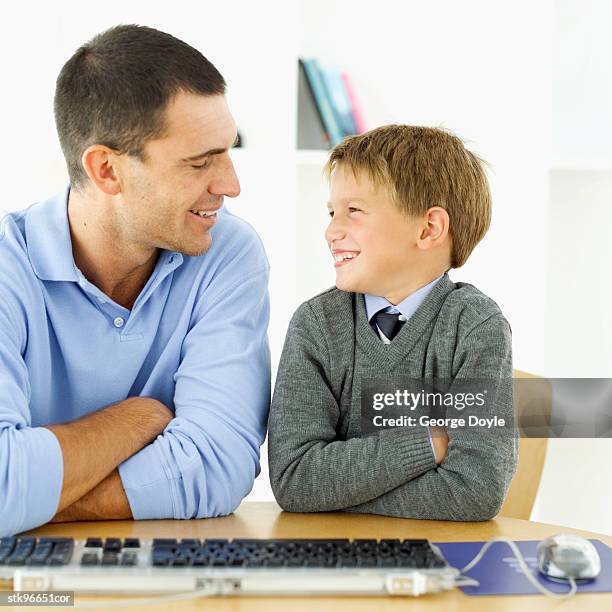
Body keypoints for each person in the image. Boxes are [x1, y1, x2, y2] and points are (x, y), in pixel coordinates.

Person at [0, 25, 271, 537]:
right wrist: (140, 418)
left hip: (164, 567)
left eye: (228, 151)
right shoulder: (6, 267)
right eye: (199, 162)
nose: (230, 185)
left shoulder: (227, 254)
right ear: (106, 170)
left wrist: (38, 497)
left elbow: (218, 468)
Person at [268, 125, 517, 520]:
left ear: (428, 228)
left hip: (439, 558)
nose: (332, 230)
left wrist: (338, 496)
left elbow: (476, 490)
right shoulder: (316, 324)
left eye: (354, 211)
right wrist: (426, 443)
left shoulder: (475, 326)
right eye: (332, 212)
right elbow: (295, 479)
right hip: (334, 558)